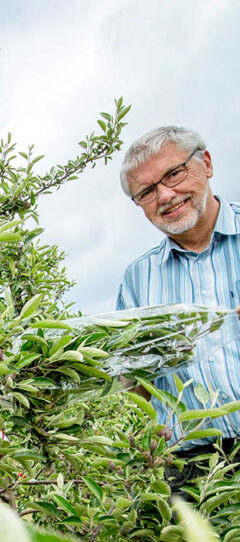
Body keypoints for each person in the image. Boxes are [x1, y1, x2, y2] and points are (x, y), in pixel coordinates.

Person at [117, 126, 240, 489]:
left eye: (173, 174)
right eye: (147, 191)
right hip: (193, 467)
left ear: (206, 163)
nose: (166, 195)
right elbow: (134, 371)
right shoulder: (137, 279)